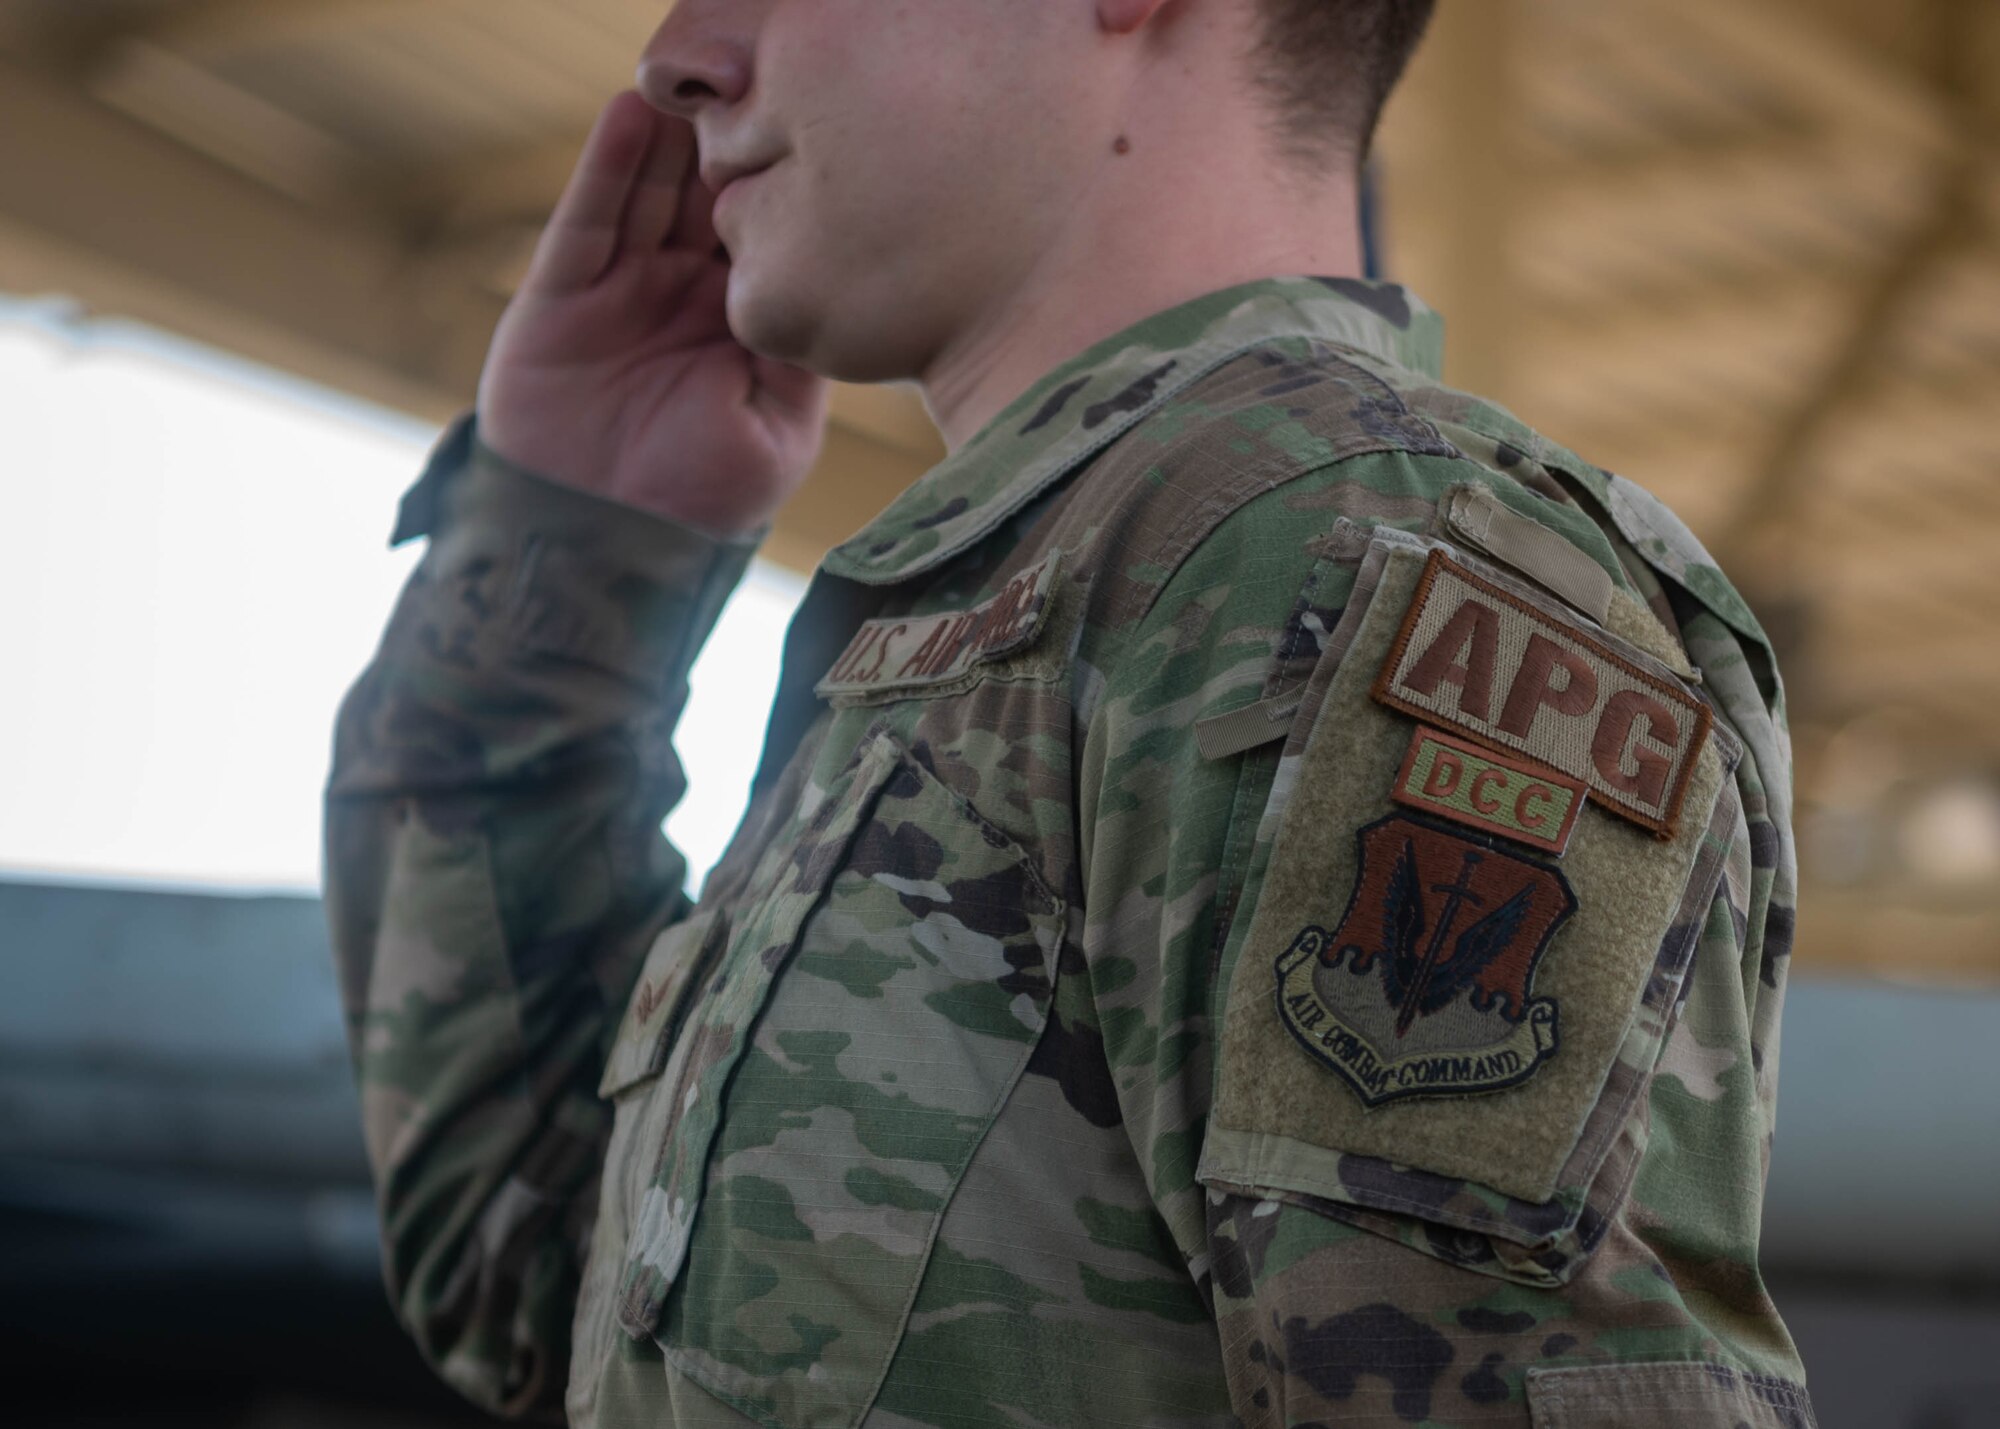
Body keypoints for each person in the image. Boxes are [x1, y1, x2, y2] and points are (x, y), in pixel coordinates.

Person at [324, 2, 1817, 1425]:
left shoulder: (1338, 567)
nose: (677, 59)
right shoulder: (1025, 616)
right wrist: (570, 550)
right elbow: (527, 1276)